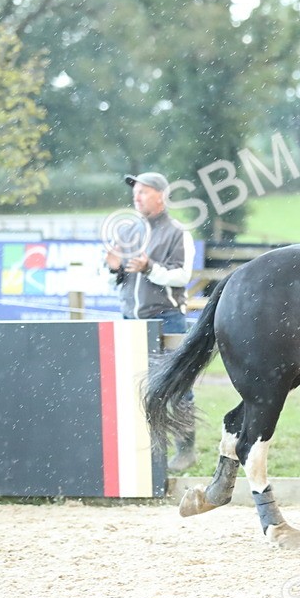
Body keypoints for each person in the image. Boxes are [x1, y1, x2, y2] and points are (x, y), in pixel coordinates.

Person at [105, 171, 199, 472]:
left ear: (161, 195)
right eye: (135, 192)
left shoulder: (177, 232)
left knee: (176, 386)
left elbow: (182, 276)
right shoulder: (128, 233)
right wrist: (114, 270)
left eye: (143, 191)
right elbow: (116, 283)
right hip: (129, 319)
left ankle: (186, 448)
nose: (137, 196)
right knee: (131, 386)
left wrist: (149, 269)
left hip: (166, 319)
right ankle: (141, 450)